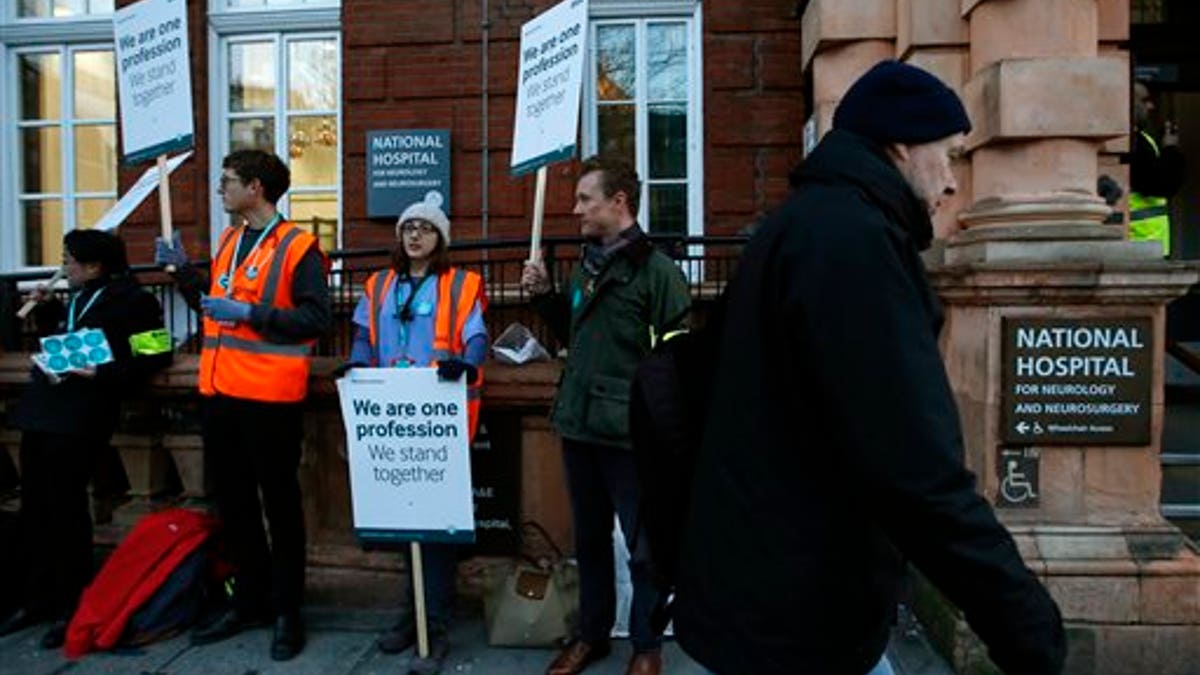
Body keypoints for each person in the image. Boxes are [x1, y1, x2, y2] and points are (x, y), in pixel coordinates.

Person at [673, 60, 1066, 675]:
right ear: (903, 145)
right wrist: (1025, 624)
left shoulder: (800, 225)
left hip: (768, 594)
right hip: (798, 617)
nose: (954, 181)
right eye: (951, 154)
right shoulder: (852, 244)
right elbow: (914, 466)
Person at [154, 149, 332, 661]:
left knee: (280, 507)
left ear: (255, 188)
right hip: (221, 394)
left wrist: (249, 311)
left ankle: (287, 611)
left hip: (270, 399)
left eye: (227, 181)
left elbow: (316, 318)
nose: (220, 190)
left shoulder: (299, 247)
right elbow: (214, 308)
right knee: (233, 506)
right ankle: (250, 600)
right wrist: (185, 272)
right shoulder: (231, 239)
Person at [521, 156, 691, 675]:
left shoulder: (658, 272)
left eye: (585, 199)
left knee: (644, 548)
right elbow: (579, 336)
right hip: (578, 424)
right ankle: (591, 635)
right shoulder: (589, 264)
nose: (576, 210)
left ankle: (646, 645)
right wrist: (546, 297)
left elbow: (677, 357)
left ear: (619, 202)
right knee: (589, 540)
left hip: (630, 433)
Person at [0, 230, 172, 649]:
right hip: (44, 410)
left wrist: (105, 373)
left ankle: (69, 604)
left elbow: (157, 351)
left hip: (82, 417)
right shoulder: (78, 296)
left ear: (95, 266)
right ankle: (35, 597)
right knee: (34, 506)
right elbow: (68, 337)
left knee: (66, 510)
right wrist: (47, 312)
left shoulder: (133, 300)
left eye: (70, 260)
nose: (65, 268)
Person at [340, 195, 487, 675]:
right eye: (408, 229)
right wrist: (359, 366)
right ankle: (412, 615)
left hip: (439, 418)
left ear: (439, 238)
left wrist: (465, 362)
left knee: (437, 527)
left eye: (425, 228)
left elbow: (477, 336)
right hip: (392, 415)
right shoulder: (380, 284)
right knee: (405, 526)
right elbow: (364, 336)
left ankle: (435, 624)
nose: (415, 235)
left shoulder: (462, 284)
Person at [1129, 79, 1185, 257]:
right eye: (1144, 100)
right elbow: (1161, 185)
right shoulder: (1134, 141)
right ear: (1128, 102)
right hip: (1139, 244)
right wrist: (1170, 150)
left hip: (1146, 244)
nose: (1151, 106)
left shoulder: (1142, 138)